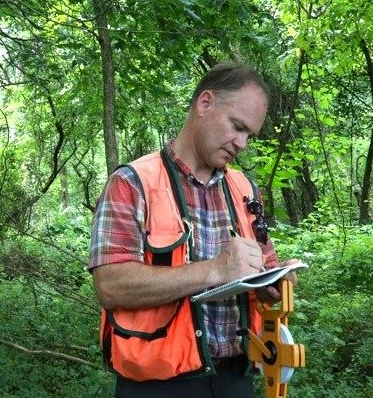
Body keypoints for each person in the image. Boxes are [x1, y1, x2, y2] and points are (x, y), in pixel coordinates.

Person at [89, 62, 298, 398]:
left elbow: (267, 265)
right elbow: (110, 286)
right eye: (237, 126)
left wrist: (274, 282)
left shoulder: (245, 189)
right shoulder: (133, 183)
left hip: (236, 381)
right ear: (205, 103)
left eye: (249, 135)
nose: (242, 143)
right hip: (156, 387)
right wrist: (215, 270)